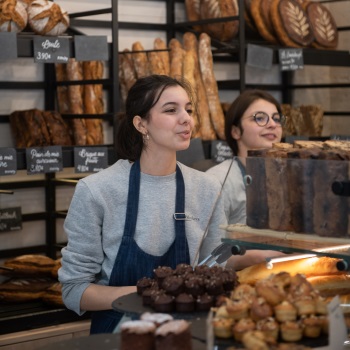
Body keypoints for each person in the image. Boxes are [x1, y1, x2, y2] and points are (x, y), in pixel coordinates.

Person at [58, 75, 227, 334]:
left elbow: (215, 270)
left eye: (189, 109)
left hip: (189, 334)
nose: (186, 118)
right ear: (141, 124)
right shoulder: (97, 190)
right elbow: (74, 291)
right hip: (119, 334)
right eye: (171, 110)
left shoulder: (207, 188)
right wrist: (153, 294)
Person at [206, 89, 286, 268]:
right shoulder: (217, 181)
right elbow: (208, 254)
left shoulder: (285, 178)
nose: (272, 124)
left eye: (276, 118)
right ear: (235, 131)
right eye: (260, 118)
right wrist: (256, 257)